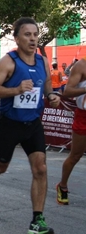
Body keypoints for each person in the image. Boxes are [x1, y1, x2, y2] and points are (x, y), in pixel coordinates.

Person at [0, 17, 60, 234]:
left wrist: (51, 95)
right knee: (0, 167)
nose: (33, 39)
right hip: (10, 123)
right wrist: (16, 90)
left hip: (33, 123)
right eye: (27, 35)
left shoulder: (43, 61)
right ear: (17, 38)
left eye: (35, 35)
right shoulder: (8, 62)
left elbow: (46, 84)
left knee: (41, 168)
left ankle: (37, 220)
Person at [56, 57, 86, 205]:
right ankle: (62, 185)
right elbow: (67, 91)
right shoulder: (82, 65)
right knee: (75, 156)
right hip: (83, 116)